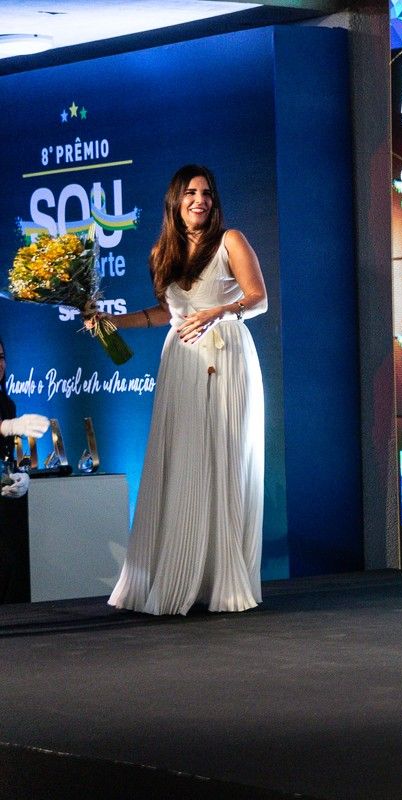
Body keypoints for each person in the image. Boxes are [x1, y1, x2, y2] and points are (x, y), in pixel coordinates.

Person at [95, 165, 268, 615]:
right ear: (176, 200)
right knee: (184, 460)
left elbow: (258, 298)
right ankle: (177, 572)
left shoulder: (231, 241)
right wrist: (113, 322)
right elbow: (164, 313)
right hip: (182, 361)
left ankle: (223, 579)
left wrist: (217, 312)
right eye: (191, 192)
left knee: (224, 460)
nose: (200, 200)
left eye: (206, 193)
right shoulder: (161, 252)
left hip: (227, 355)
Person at [0, 335, 47, 603]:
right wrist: (7, 426)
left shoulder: (7, 404)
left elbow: (7, 456)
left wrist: (18, 476)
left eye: (1, 358)